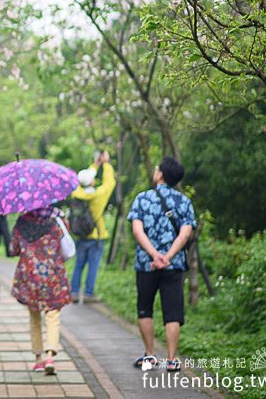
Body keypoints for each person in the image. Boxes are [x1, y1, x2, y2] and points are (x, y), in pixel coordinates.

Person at [128, 156, 196, 373]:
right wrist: (168, 256)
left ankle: (150, 356)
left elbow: (137, 231)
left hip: (146, 264)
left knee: (145, 309)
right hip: (173, 265)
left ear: (160, 174)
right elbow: (185, 234)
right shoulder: (184, 202)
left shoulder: (142, 199)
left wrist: (154, 255)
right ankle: (172, 359)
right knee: (173, 312)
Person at [8, 206, 71, 375]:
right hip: (53, 274)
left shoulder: (21, 222)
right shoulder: (56, 219)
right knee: (53, 315)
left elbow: (12, 249)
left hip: (30, 275)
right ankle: (50, 356)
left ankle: (38, 360)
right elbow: (66, 244)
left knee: (34, 316)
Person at [69, 149, 116, 302]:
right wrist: (106, 164)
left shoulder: (76, 193)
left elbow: (83, 180)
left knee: (78, 265)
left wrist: (95, 166)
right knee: (92, 266)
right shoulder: (97, 196)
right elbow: (110, 183)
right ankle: (89, 294)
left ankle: (74, 293)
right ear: (92, 181)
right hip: (95, 236)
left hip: (80, 235)